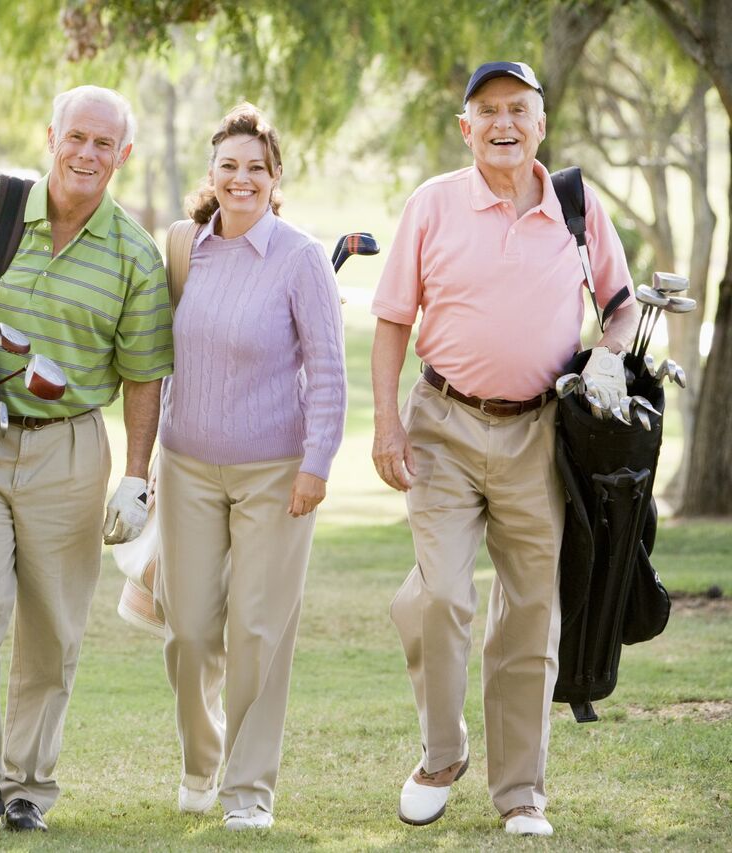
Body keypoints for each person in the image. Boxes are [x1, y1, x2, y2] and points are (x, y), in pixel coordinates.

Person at [369, 61, 640, 838]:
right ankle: (441, 752)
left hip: (539, 432)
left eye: (518, 109)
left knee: (530, 613)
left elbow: (619, 311)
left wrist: (612, 353)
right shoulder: (432, 204)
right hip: (442, 425)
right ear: (466, 128)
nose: (503, 123)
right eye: (486, 111)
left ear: (541, 123)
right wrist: (386, 425)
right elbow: (391, 320)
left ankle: (520, 790)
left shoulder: (578, 205)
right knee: (442, 596)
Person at [0, 84, 173, 834]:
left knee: (53, 623)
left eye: (104, 144)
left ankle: (28, 786)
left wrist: (134, 476)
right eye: (76, 137)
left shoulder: (133, 253)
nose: (86, 154)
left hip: (70, 445)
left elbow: (144, 373)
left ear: (123, 156)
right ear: (51, 135)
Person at [154, 103, 347, 832]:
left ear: (275, 180)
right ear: (212, 174)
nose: (242, 178)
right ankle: (200, 764)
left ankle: (248, 787)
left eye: (256, 168)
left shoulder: (300, 258)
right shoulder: (184, 248)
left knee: (259, 630)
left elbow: (328, 372)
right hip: (187, 468)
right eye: (229, 166)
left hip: (277, 470)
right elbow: (153, 357)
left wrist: (317, 464)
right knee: (191, 630)